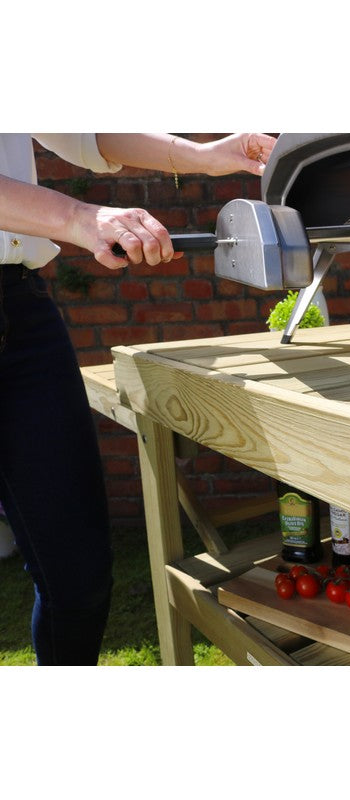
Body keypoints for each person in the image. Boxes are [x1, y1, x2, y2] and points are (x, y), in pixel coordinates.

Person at [0, 133, 277, 665]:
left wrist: (204, 156)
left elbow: (82, 131)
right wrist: (79, 218)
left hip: (21, 310)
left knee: (78, 580)